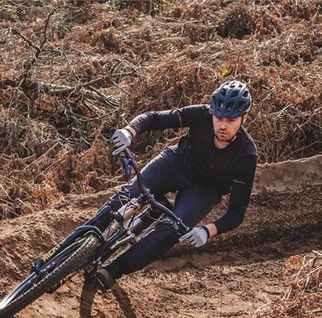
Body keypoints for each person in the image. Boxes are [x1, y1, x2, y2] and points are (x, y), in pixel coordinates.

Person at [93, 80, 257, 291]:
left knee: (173, 229)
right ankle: (83, 239)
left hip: (205, 190)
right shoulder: (201, 114)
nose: (223, 125)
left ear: (244, 118)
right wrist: (130, 131)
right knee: (128, 194)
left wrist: (207, 231)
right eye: (218, 117)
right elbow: (154, 118)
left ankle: (115, 269)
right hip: (175, 163)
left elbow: (237, 212)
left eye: (231, 120)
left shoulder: (246, 155)